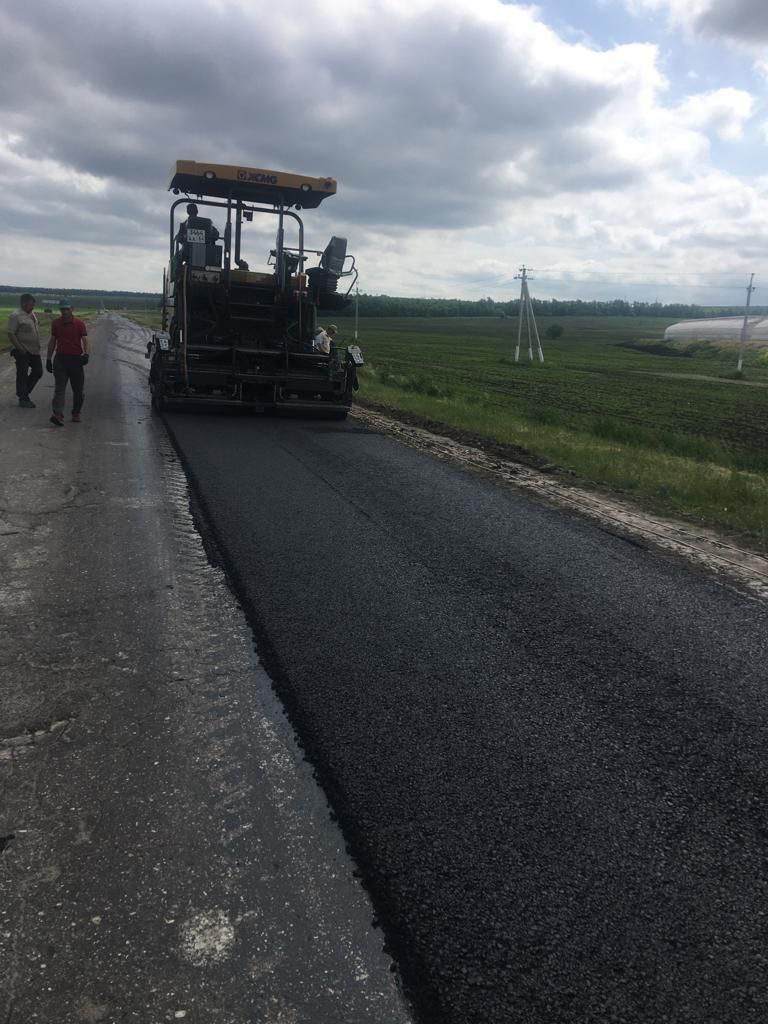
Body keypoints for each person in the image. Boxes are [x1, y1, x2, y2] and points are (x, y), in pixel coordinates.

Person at [46, 300, 89, 426]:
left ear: (72, 309)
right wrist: (48, 359)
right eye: (62, 309)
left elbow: (86, 340)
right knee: (59, 389)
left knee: (78, 390)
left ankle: (76, 412)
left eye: (67, 309)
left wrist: (86, 354)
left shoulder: (79, 324)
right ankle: (57, 414)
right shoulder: (56, 323)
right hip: (60, 360)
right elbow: (52, 341)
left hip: (76, 360)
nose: (64, 312)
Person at [7, 293, 42, 408]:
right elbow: (11, 334)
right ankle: (23, 398)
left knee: (38, 371)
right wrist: (20, 349)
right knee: (22, 373)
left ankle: (23, 393)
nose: (33, 307)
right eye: (31, 304)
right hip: (22, 350)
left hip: (34, 350)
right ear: (24, 303)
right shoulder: (15, 316)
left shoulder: (32, 314)